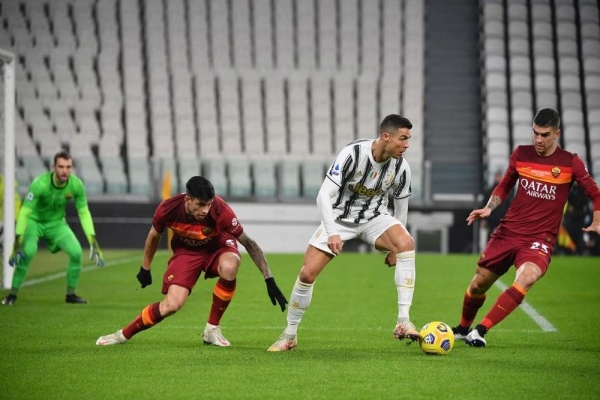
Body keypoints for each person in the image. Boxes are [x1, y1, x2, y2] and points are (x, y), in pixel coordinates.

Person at [267, 114, 418, 352]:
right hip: (338, 219)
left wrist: (394, 250)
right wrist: (332, 233)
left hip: (374, 218)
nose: (407, 145)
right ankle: (290, 334)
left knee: (407, 243)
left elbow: (401, 209)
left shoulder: (401, 167)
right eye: (403, 138)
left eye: (408, 139)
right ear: (386, 137)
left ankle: (403, 320)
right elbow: (323, 196)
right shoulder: (353, 154)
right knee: (307, 274)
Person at [452, 108, 600, 347]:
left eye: (545, 134)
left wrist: (597, 220)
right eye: (535, 133)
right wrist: (489, 207)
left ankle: (480, 331)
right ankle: (462, 328)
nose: (539, 139)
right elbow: (505, 185)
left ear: (557, 134)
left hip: (540, 238)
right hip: (508, 232)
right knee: (478, 284)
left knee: (527, 277)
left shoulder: (570, 162)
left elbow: (595, 193)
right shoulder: (521, 154)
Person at [96, 175, 288, 347]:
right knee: (172, 305)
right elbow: (154, 235)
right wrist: (145, 267)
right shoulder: (168, 209)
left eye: (209, 204)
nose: (206, 210)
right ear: (187, 200)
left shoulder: (220, 210)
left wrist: (269, 279)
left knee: (230, 266)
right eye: (201, 204)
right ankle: (122, 335)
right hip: (187, 252)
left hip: (218, 246)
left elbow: (249, 243)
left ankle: (212, 329)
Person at [2, 151, 105, 305]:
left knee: (76, 252)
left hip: (57, 224)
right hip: (34, 222)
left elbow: (84, 212)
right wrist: (18, 239)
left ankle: (71, 295)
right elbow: (25, 212)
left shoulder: (76, 185)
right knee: (28, 252)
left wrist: (92, 240)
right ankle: (12, 294)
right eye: (61, 167)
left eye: (68, 167)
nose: (65, 171)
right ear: (53, 167)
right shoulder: (40, 184)